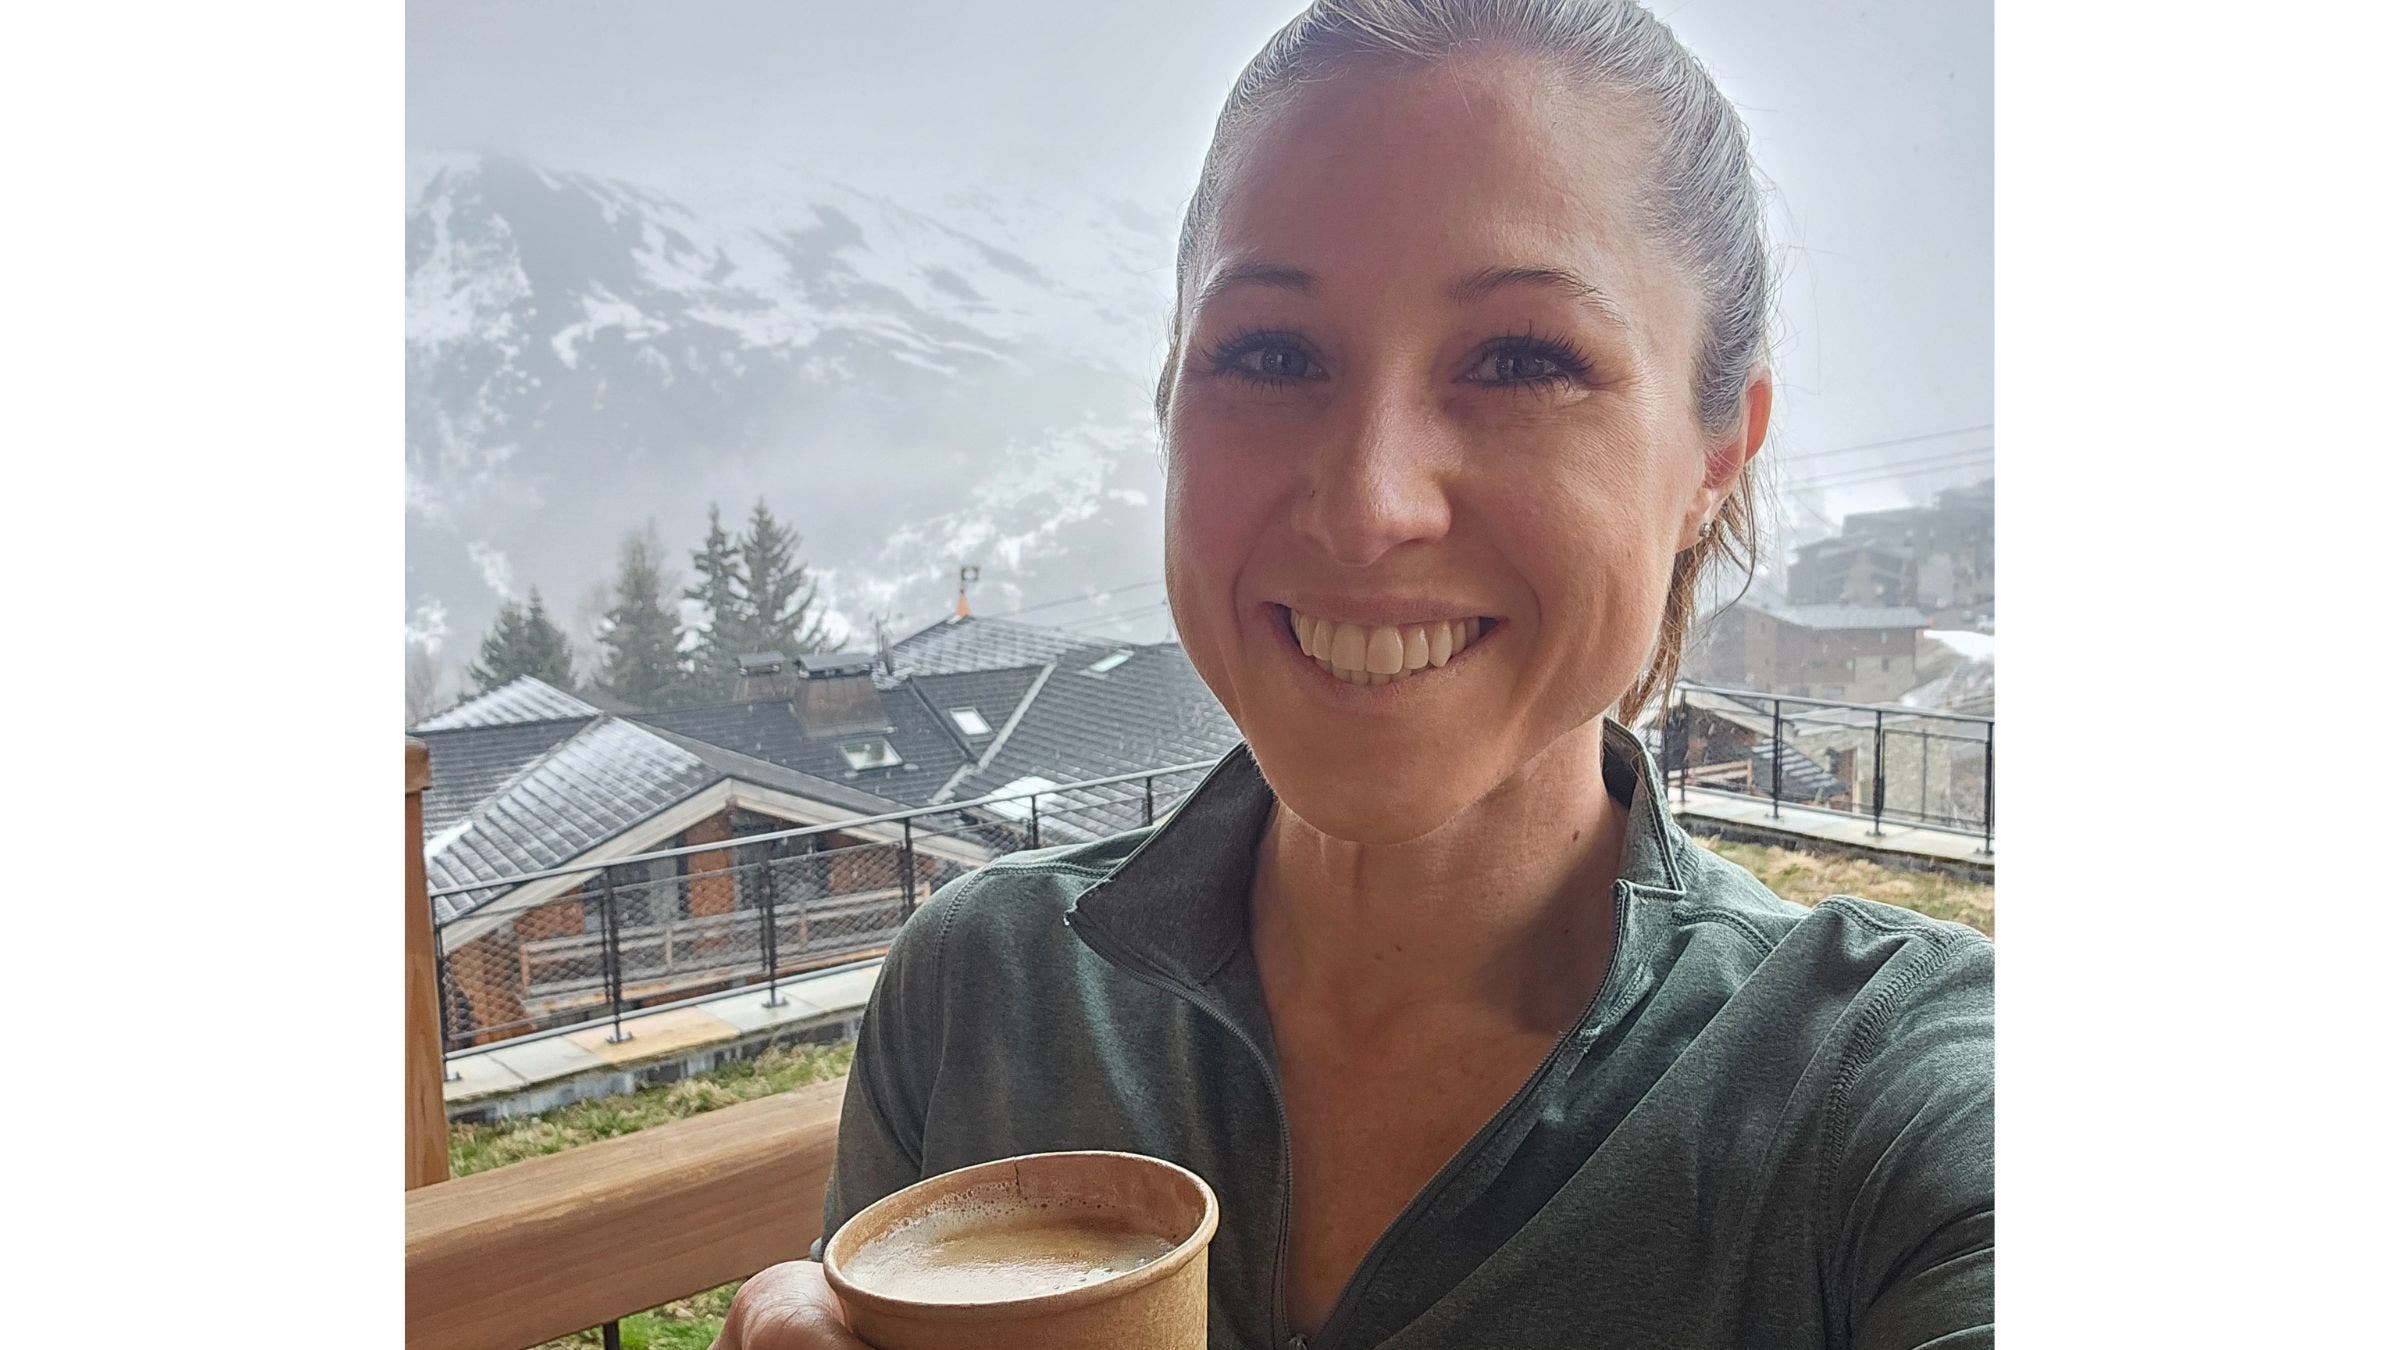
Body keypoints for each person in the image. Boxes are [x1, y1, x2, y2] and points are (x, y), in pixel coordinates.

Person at [712, 1, 1993, 1346]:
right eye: (1270, 353)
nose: (1369, 503)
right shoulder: (984, 988)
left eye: (1521, 360)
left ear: (1718, 450)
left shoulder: (1889, 1102)